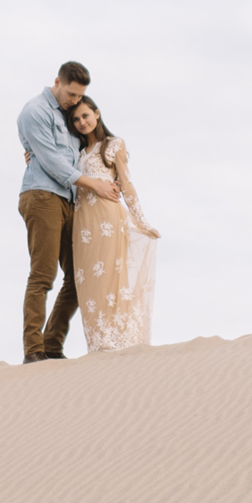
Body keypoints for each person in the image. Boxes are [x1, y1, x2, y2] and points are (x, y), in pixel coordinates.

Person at [17, 62, 118, 362]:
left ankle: (52, 343)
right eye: (72, 94)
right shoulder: (35, 110)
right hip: (42, 196)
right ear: (58, 81)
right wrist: (94, 185)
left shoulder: (66, 115)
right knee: (43, 275)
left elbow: (71, 152)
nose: (75, 101)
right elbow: (51, 160)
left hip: (69, 200)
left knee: (77, 277)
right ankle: (33, 350)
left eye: (80, 97)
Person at [66, 97, 159, 352]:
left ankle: (118, 343)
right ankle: (98, 345)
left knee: (109, 278)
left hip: (107, 219)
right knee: (88, 283)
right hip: (82, 225)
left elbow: (126, 183)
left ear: (97, 114)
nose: (81, 122)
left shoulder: (113, 145)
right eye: (75, 119)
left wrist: (142, 221)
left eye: (85, 116)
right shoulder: (75, 151)